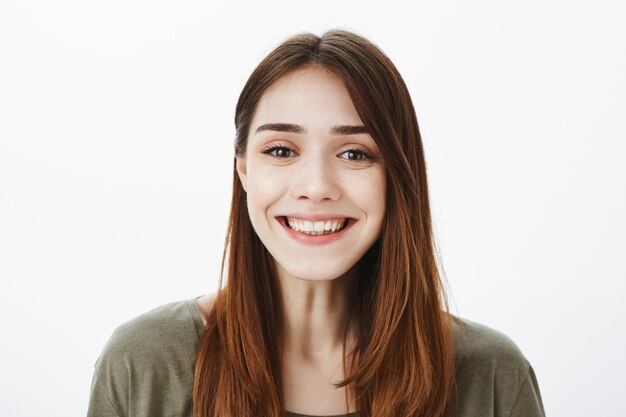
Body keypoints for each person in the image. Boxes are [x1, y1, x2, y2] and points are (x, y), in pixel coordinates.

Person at [86, 29, 546, 417]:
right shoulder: (144, 365)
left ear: (398, 176)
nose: (316, 186)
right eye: (281, 150)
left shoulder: (491, 378)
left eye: (354, 153)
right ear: (243, 168)